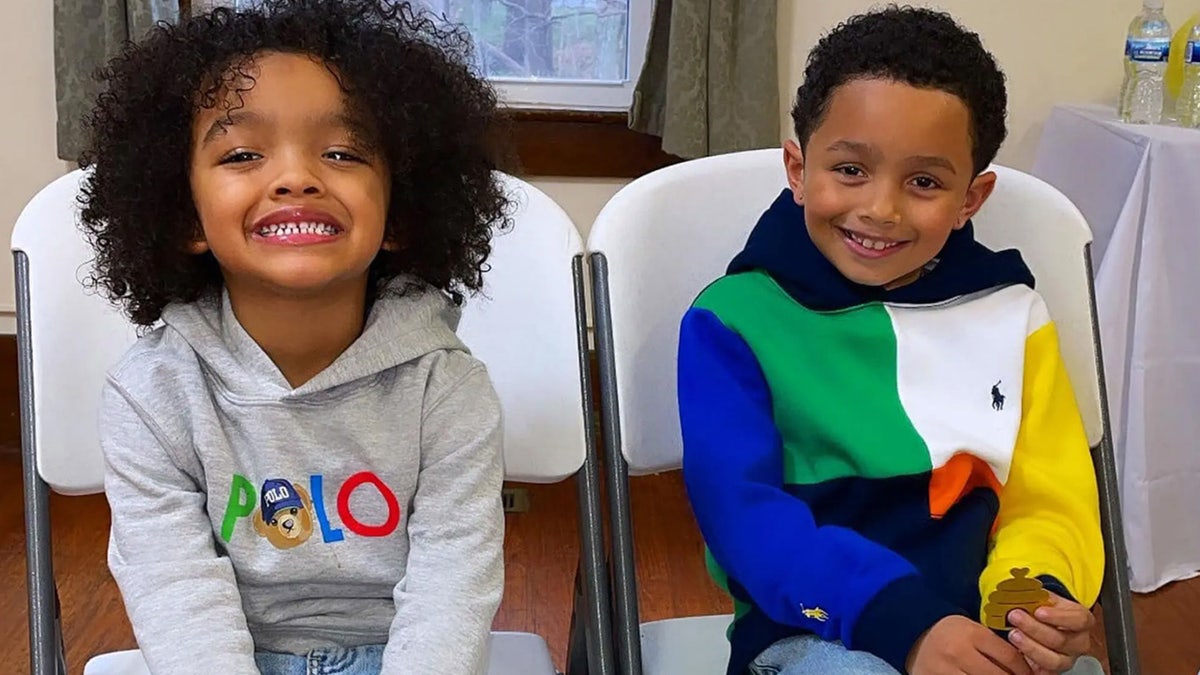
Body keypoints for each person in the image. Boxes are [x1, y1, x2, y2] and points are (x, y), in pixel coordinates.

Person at [79, 2, 511, 673]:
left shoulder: (446, 387)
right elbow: (175, 588)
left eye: (341, 152)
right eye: (242, 153)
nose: (295, 177)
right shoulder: (150, 394)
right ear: (183, 213)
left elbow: (452, 586)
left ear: (398, 213)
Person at [677, 6, 1105, 675]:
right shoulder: (731, 319)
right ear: (797, 168)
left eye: (925, 182)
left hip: (982, 627)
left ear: (972, 197)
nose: (881, 208)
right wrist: (904, 623)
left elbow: (1048, 501)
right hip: (816, 628)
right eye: (850, 169)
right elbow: (747, 521)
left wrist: (1033, 606)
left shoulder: (1014, 314)